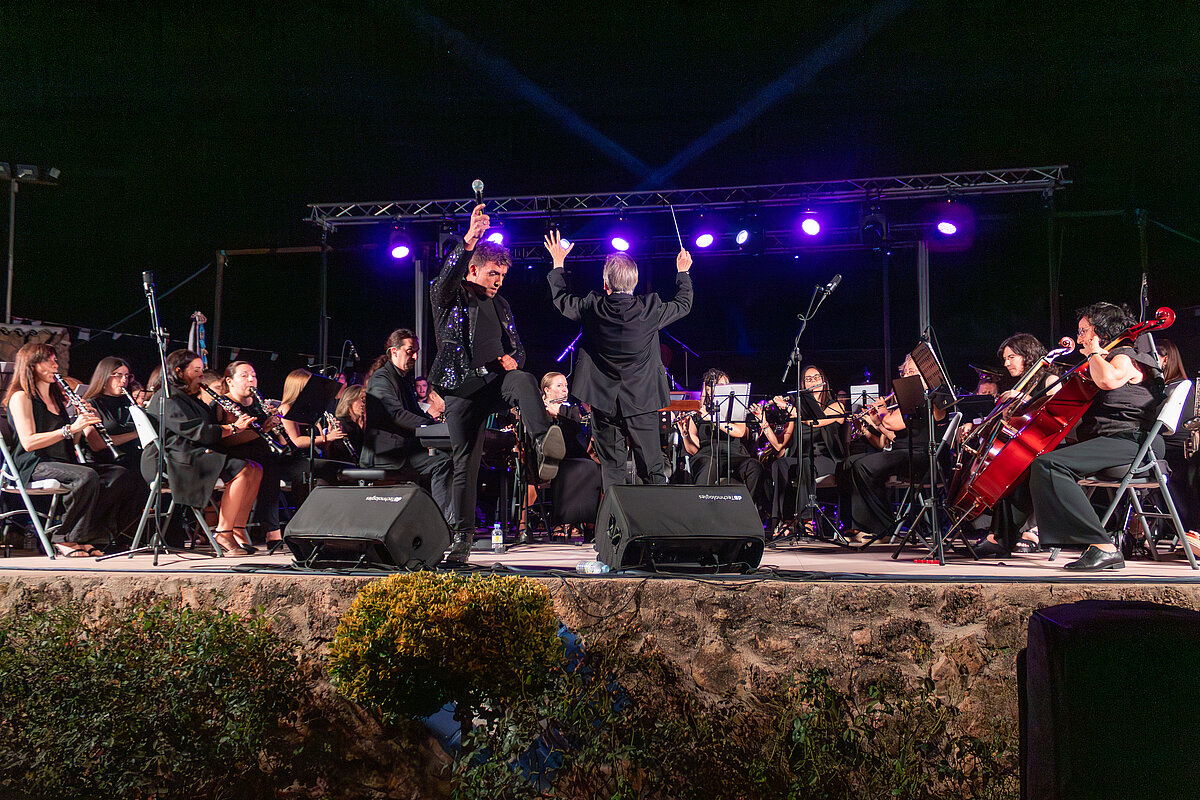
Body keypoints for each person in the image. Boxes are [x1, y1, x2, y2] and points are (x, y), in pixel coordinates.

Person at [430, 203, 565, 559]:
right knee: (465, 465)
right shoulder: (451, 297)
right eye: (492, 273)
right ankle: (460, 540)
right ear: (473, 269)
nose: (498, 281)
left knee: (522, 378)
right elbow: (446, 277)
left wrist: (513, 359)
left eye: (502, 276)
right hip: (460, 388)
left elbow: (518, 350)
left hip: (493, 384)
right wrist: (470, 238)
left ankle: (542, 440)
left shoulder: (502, 305)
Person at [545, 229, 693, 490]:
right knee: (652, 471)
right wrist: (683, 273)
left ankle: (613, 529)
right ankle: (653, 527)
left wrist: (558, 265)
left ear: (606, 284)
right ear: (634, 283)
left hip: (604, 402)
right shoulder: (650, 309)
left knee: (612, 473)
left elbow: (562, 300)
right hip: (642, 401)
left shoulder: (593, 307)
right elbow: (683, 304)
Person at [1029, 302, 1166, 571]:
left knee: (1049, 464)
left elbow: (1108, 381)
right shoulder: (1111, 356)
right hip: (1115, 440)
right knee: (1039, 461)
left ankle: (1102, 546)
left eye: (1083, 331)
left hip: (1132, 441)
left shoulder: (1126, 356)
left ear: (1101, 330)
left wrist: (1093, 353)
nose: (1079, 337)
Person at [4, 344, 142, 556]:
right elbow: (29, 442)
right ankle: (64, 537)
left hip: (61, 460)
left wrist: (82, 421)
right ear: (31, 365)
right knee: (85, 476)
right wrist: (70, 428)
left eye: (55, 361)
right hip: (33, 463)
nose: (55, 365)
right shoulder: (21, 397)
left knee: (119, 474)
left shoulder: (57, 398)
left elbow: (72, 438)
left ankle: (87, 535)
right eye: (48, 361)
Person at [151, 349, 263, 555]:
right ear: (179, 371)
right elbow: (195, 431)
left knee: (256, 468)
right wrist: (233, 428)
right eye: (197, 370)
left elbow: (209, 425)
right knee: (243, 470)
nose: (202, 375)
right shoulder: (167, 398)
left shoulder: (190, 397)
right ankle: (223, 532)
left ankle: (238, 529)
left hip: (196, 452)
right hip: (175, 457)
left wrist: (230, 420)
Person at [363, 329, 452, 511]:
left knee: (449, 458)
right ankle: (441, 522)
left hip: (402, 450)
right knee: (442, 462)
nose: (415, 356)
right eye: (410, 351)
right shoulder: (381, 378)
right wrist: (433, 426)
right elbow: (396, 415)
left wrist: (439, 425)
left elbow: (415, 413)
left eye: (416, 351)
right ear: (394, 352)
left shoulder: (402, 380)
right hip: (386, 454)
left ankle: (439, 517)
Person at [762, 366, 846, 537]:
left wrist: (790, 409)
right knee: (780, 464)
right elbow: (780, 446)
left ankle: (807, 522)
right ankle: (783, 521)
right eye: (809, 379)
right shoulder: (796, 412)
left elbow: (817, 421)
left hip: (826, 458)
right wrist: (763, 423)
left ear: (824, 381)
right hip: (802, 458)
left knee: (806, 465)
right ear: (802, 385)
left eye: (817, 377)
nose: (814, 381)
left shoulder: (836, 406)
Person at [218, 360, 290, 550]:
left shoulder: (257, 402)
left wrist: (275, 424)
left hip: (260, 452)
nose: (251, 380)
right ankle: (269, 530)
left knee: (272, 462)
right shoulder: (223, 402)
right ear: (230, 381)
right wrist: (263, 430)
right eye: (244, 376)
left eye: (254, 376)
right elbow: (225, 439)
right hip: (233, 452)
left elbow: (278, 441)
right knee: (268, 462)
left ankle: (266, 529)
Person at [676, 369, 767, 513]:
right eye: (719, 385)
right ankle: (701, 514)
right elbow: (693, 449)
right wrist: (685, 434)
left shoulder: (735, 409)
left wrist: (714, 419)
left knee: (754, 467)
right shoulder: (698, 413)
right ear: (708, 389)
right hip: (707, 456)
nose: (725, 388)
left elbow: (739, 431)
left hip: (735, 455)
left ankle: (746, 514)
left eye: (726, 384)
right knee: (709, 465)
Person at [538, 371, 602, 538]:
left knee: (590, 467)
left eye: (565, 386)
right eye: (559, 386)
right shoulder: (537, 407)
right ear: (547, 389)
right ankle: (559, 521)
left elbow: (582, 425)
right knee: (561, 468)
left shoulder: (571, 409)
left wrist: (560, 412)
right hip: (546, 457)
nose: (564, 390)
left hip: (573, 455)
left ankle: (580, 520)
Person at [1156, 339, 1199, 554]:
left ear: (1166, 359)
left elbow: (1177, 425)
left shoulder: (1182, 385)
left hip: (1174, 447)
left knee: (1177, 490)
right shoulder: (1161, 385)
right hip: (1165, 445)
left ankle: (1190, 534)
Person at [80, 357, 143, 474]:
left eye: (127, 376)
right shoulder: (91, 404)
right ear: (105, 376)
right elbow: (96, 444)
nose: (124, 380)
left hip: (132, 459)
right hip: (106, 462)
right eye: (118, 375)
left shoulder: (129, 403)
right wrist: (136, 434)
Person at [332, 383, 366, 464]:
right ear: (350, 401)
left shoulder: (362, 424)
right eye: (363, 400)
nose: (364, 404)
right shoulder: (342, 424)